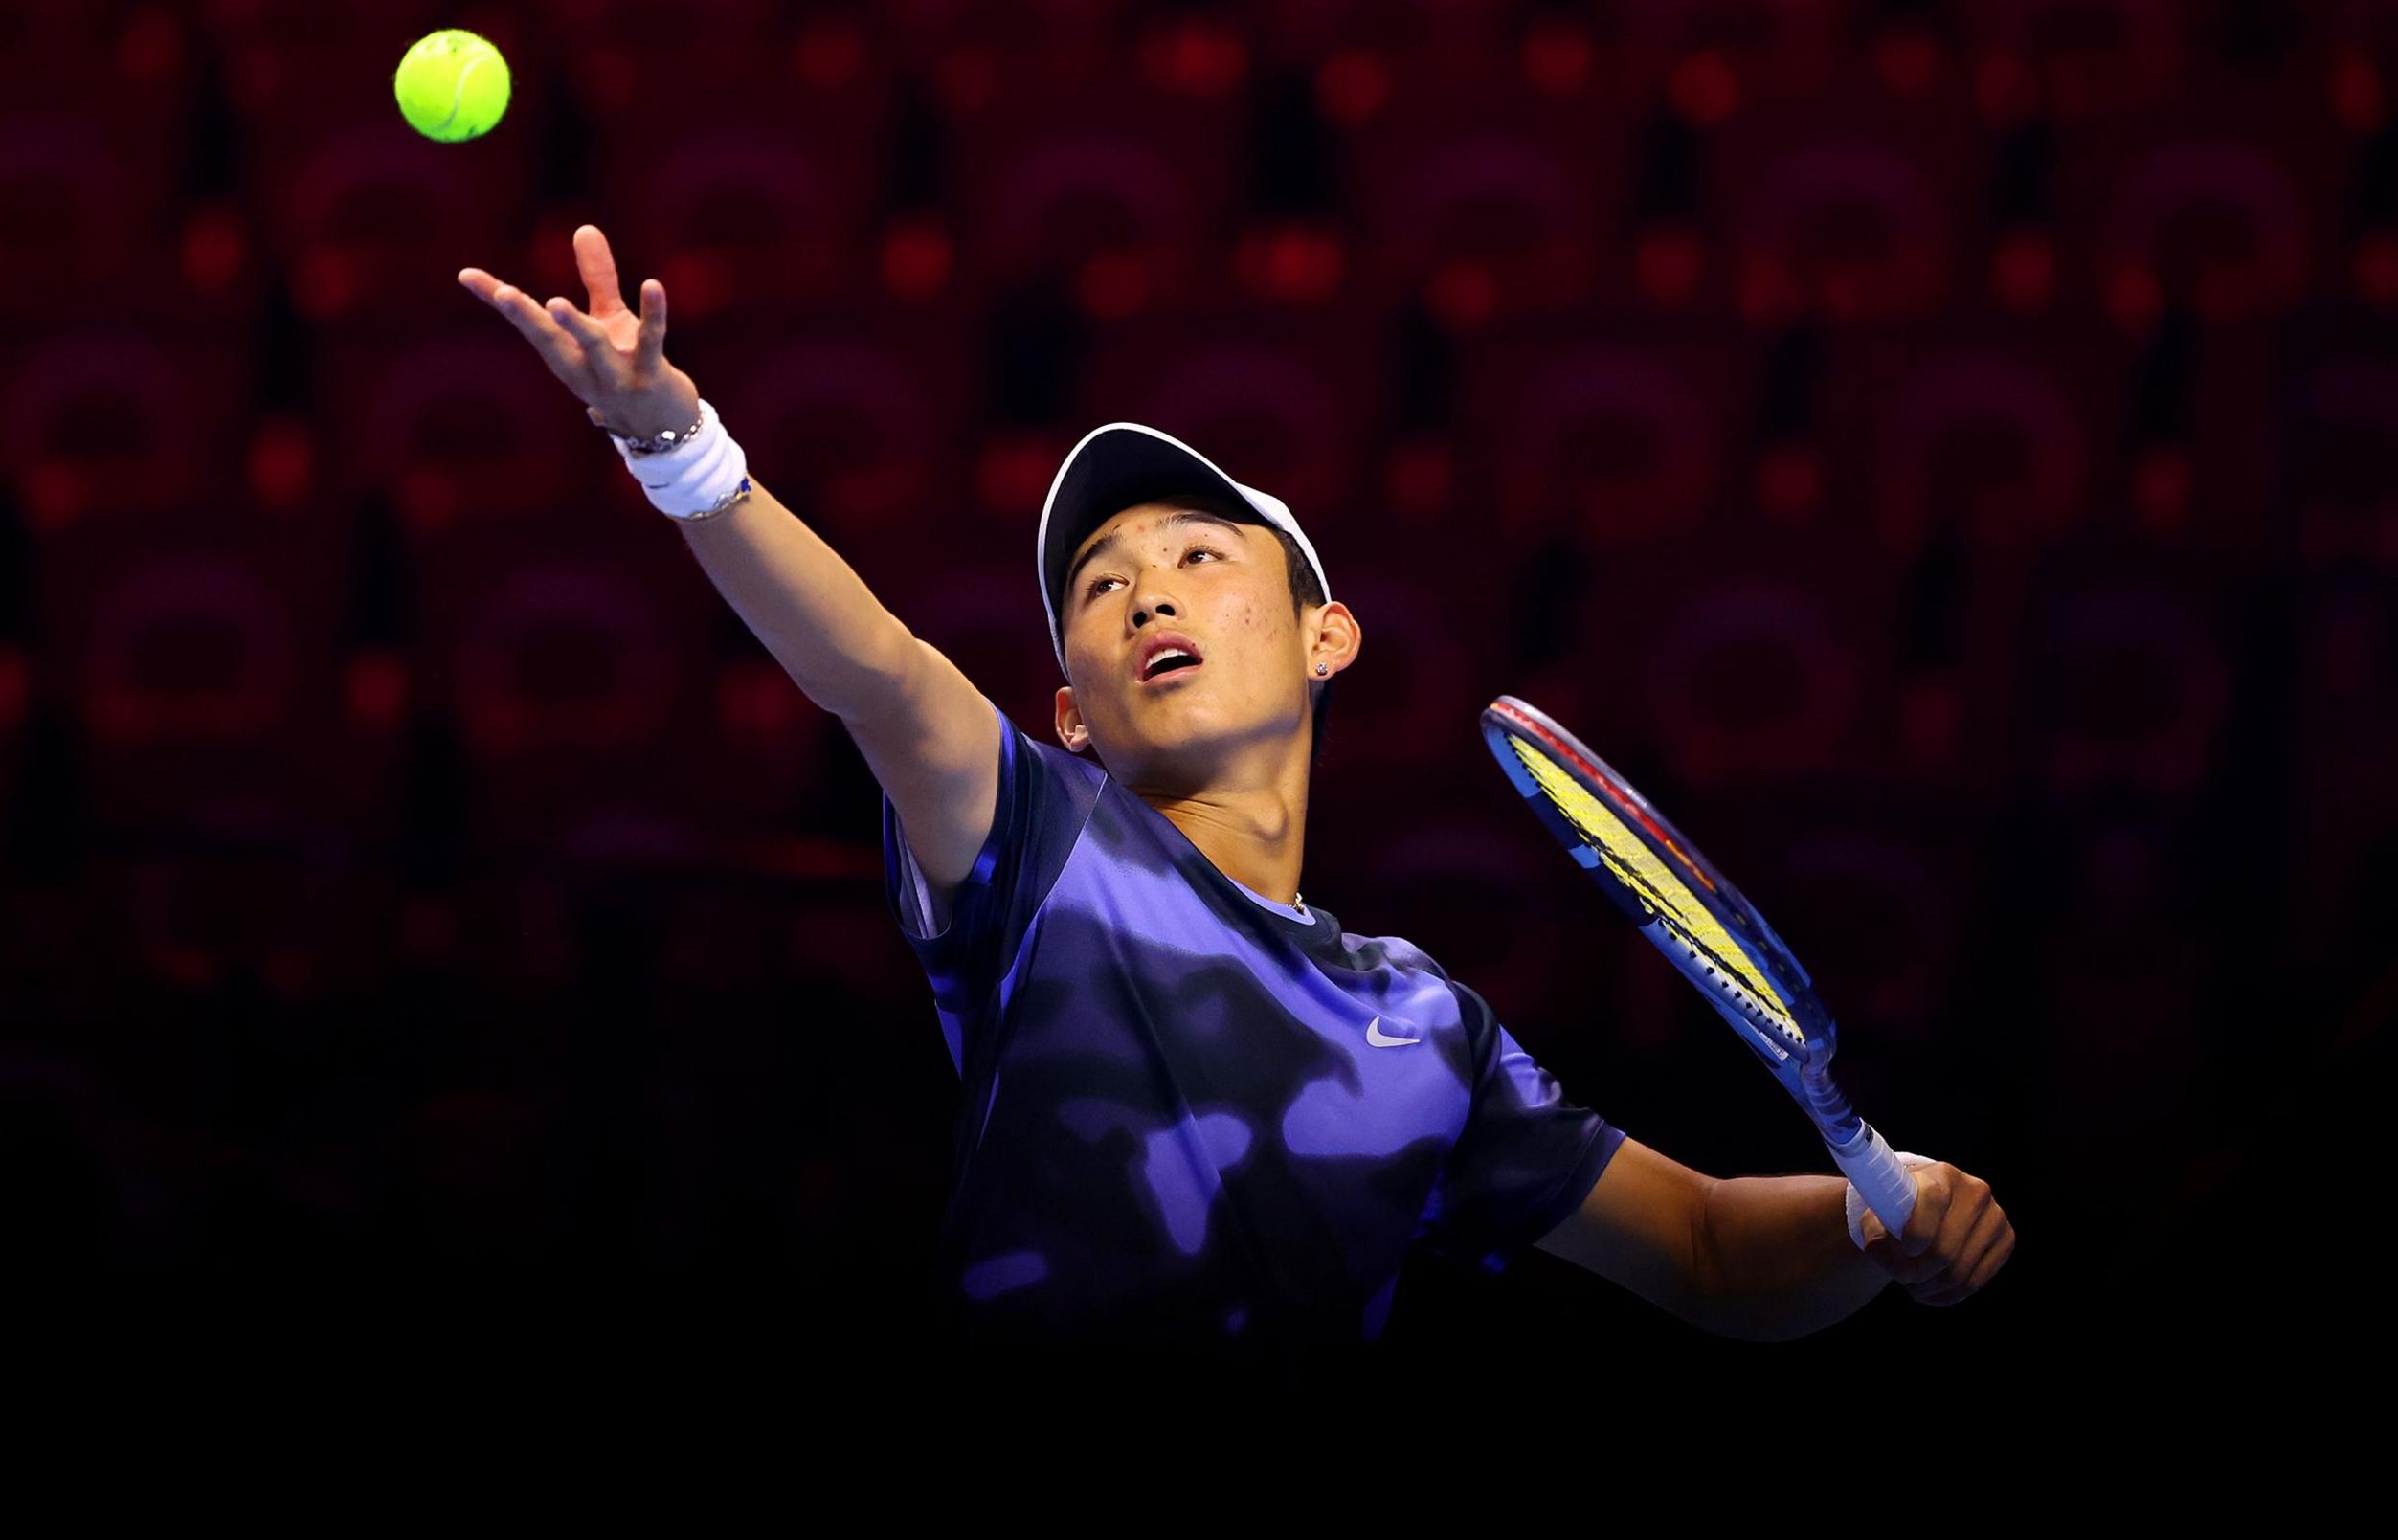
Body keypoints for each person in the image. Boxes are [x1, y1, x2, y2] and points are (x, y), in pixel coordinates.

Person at [458, 226, 2016, 1359]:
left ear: (1327, 634)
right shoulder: (1038, 850)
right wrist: (675, 442)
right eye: (1102, 585)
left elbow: (1701, 1253)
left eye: (1202, 558)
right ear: (1067, 710)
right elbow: (876, 670)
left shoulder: (1426, 1025)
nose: (1149, 594)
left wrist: (1880, 1221)